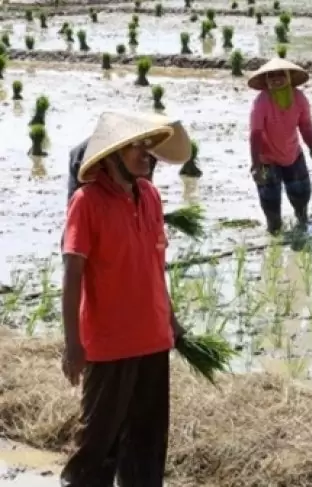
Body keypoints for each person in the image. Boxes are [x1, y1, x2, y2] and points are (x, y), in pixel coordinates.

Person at [60, 111, 190, 487]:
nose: (146, 153)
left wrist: (171, 320)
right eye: (136, 146)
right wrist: (73, 344)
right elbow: (72, 275)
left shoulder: (150, 196)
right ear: (111, 154)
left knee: (147, 444)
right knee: (97, 447)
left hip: (153, 341)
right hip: (109, 346)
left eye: (148, 145)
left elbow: (154, 266)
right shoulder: (86, 202)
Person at [247, 58, 312, 235]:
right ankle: (274, 233)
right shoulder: (262, 102)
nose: (276, 79)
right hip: (267, 159)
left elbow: (305, 125)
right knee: (271, 203)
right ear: (266, 80)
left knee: (301, 196)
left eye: (280, 74)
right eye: (271, 76)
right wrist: (256, 165)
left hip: (292, 154)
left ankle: (302, 224)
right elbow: (255, 134)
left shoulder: (299, 98)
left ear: (289, 77)